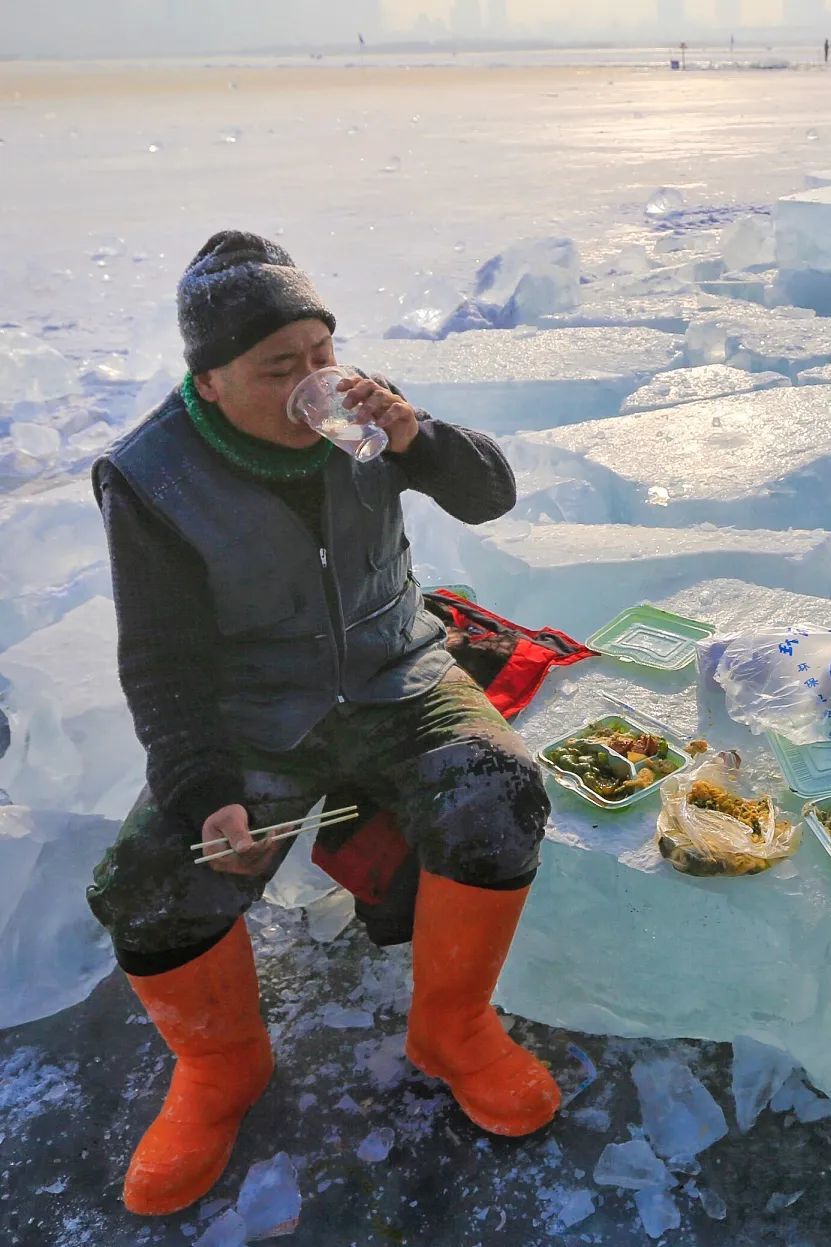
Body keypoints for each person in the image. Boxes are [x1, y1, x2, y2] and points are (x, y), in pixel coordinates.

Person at [88, 231, 561, 1217]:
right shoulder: (150, 476)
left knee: (500, 790)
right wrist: (201, 787)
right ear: (209, 381)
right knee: (145, 883)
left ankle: (452, 1025)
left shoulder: (363, 414)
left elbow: (492, 494)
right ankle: (222, 1071)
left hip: (400, 671)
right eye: (279, 366)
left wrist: (419, 436)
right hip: (256, 711)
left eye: (320, 352)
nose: (315, 381)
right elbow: (162, 661)